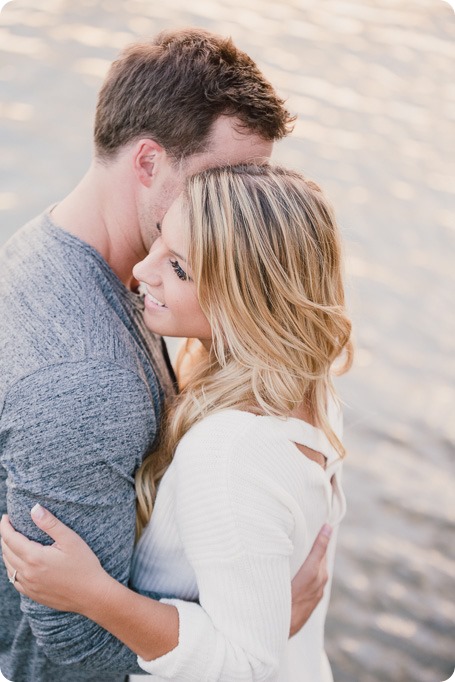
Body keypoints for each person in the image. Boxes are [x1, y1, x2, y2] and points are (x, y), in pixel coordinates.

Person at [0, 28, 330, 682]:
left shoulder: (54, 248)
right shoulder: (89, 381)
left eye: (253, 178)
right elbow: (79, 658)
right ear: (148, 163)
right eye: (225, 178)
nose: (239, 203)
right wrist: (264, 628)